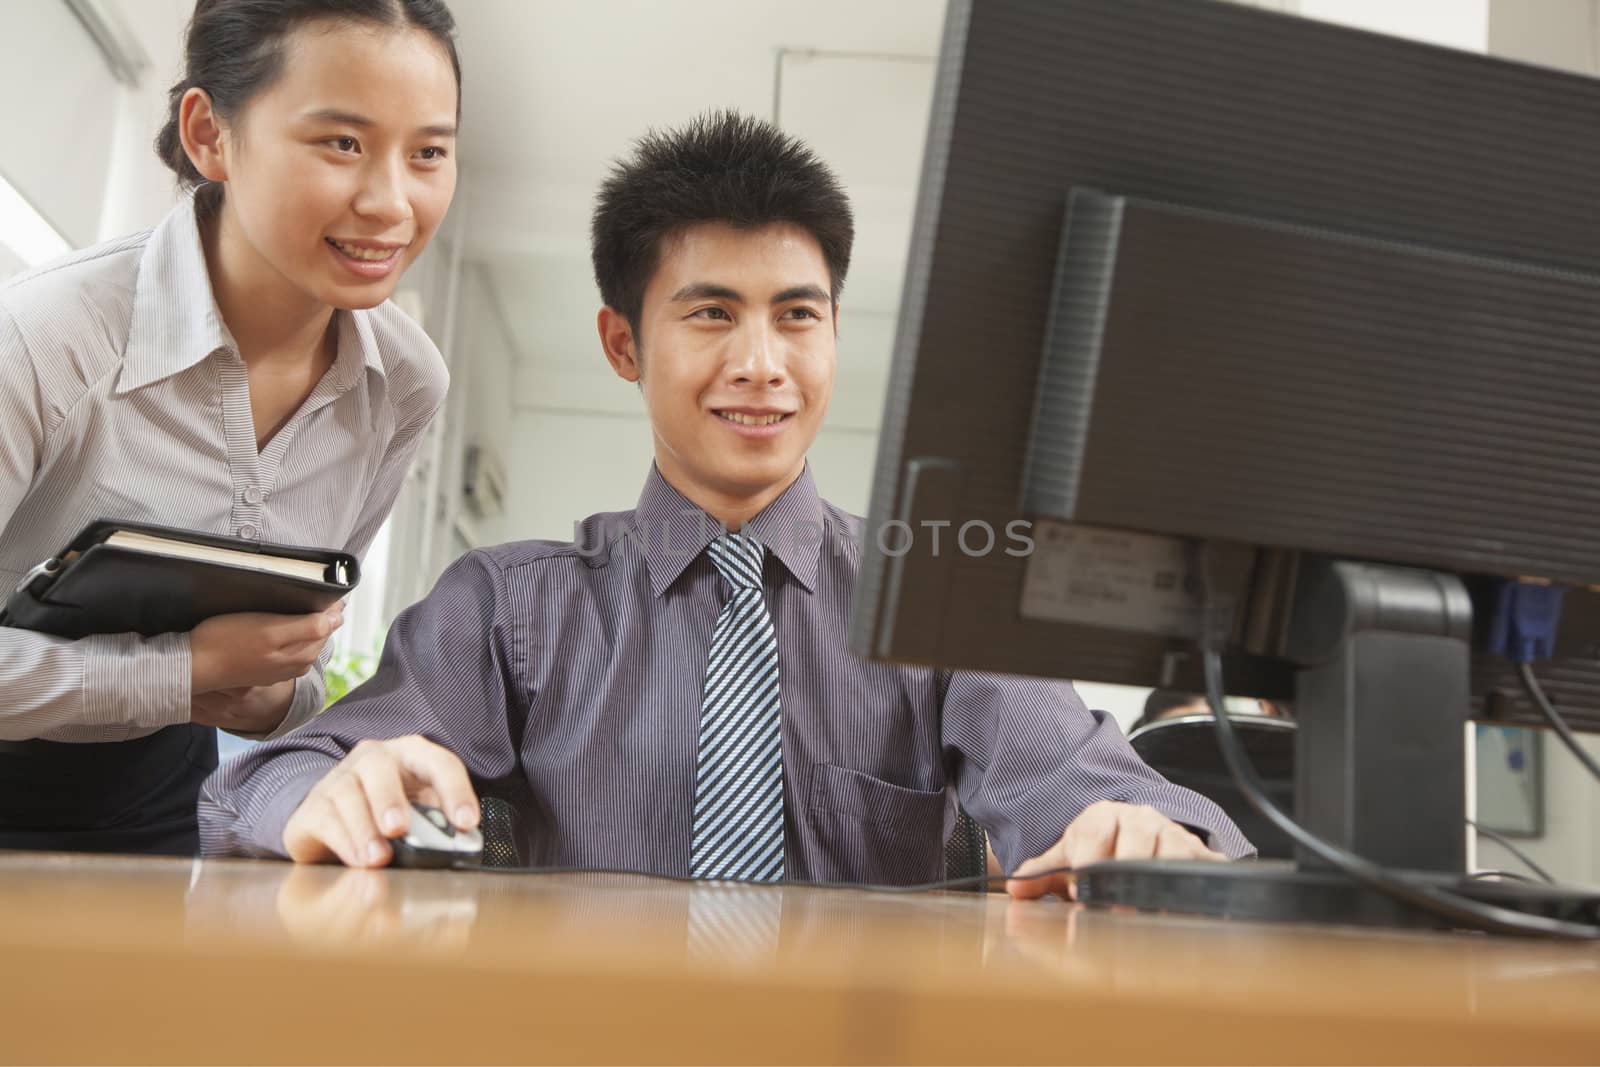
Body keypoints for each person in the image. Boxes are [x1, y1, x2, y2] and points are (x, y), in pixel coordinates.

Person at [199, 112, 1253, 897]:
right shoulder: (510, 607)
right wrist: (328, 793)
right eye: (711, 313)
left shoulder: (936, 594)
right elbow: (273, 777)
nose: (761, 364)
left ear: (833, 333)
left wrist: (1142, 831)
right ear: (625, 343)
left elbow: (1083, 786)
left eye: (797, 316)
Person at [0, 0, 460, 854]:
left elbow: (310, 644)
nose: (392, 202)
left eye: (428, 151)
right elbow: (195, 669)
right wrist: (183, 671)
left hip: (161, 800)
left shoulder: (403, 382)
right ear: (210, 133)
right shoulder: (44, 339)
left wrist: (274, 694)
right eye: (343, 143)